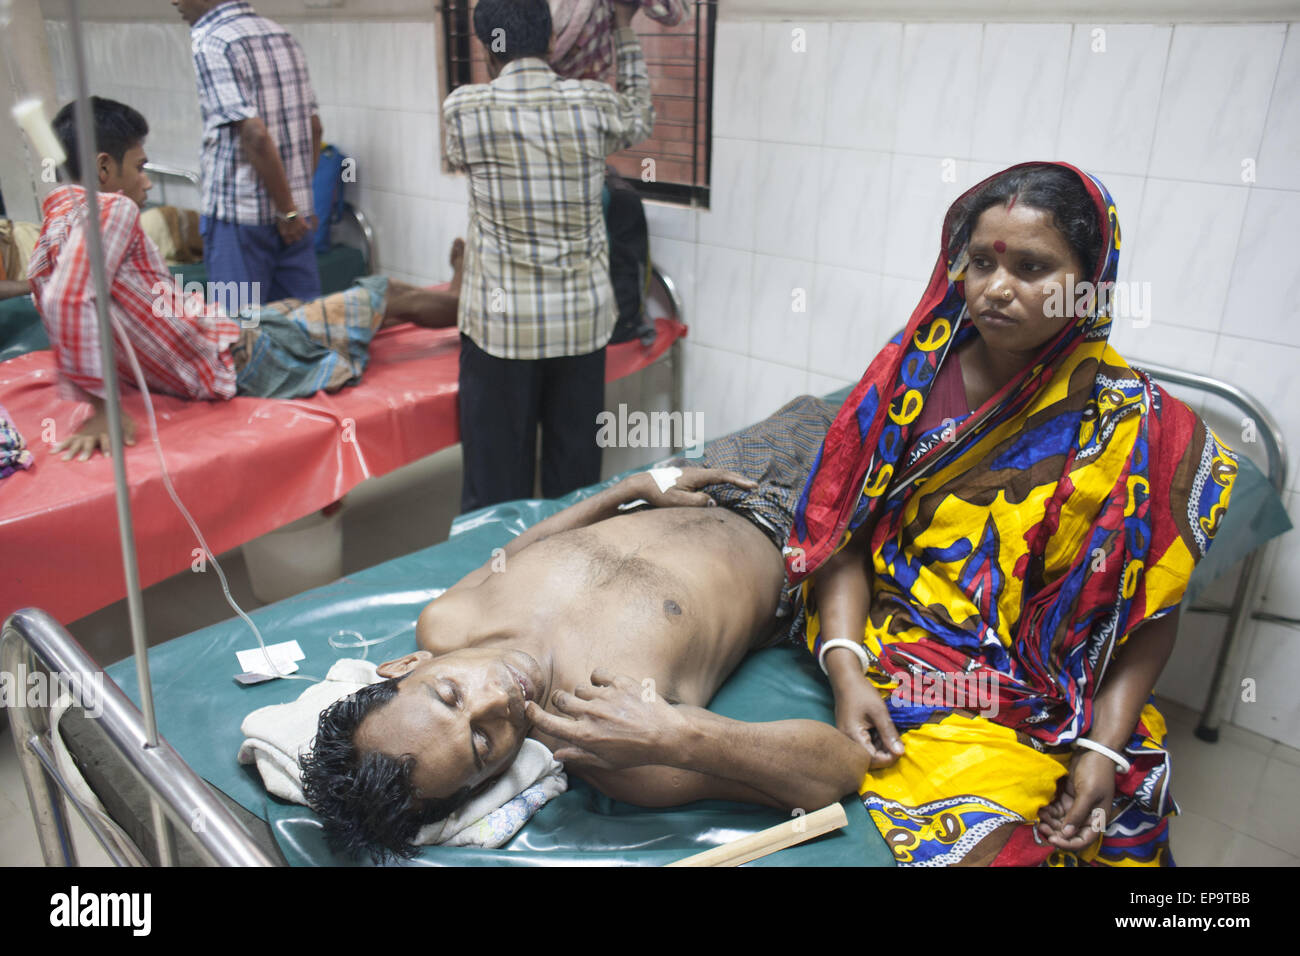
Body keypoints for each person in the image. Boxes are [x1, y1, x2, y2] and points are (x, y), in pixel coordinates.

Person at [784, 162, 1238, 867]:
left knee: (1105, 819)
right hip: (907, 660)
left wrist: (1099, 745)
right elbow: (843, 536)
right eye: (978, 263)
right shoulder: (906, 384)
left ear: (1091, 283)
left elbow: (1147, 612)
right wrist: (844, 668)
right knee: (991, 843)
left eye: (1032, 267)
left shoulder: (1148, 432)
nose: (996, 289)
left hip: (1060, 687)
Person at [301, 397, 873, 862]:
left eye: (450, 694)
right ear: (492, 780)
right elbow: (842, 768)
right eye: (482, 743)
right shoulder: (621, 743)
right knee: (935, 441)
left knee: (858, 399)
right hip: (812, 549)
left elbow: (521, 551)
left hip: (721, 474)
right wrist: (681, 734)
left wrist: (628, 491)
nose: (497, 699)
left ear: (408, 666)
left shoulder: (448, 620)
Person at [28, 97, 461, 462]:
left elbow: (67, 302)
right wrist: (101, 407)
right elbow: (69, 299)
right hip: (242, 358)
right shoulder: (111, 209)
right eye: (140, 167)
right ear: (104, 169)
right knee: (385, 294)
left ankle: (453, 296)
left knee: (297, 311)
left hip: (229, 331)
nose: (145, 181)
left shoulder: (51, 231)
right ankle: (465, 302)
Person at [444, 0, 654, 513]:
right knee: (574, 489)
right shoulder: (593, 105)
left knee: (495, 492)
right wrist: (623, 27)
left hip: (500, 335)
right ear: (552, 40)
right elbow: (641, 115)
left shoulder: (465, 110)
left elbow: (456, 157)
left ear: (487, 47)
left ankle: (494, 581)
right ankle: (569, 585)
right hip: (580, 330)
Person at [173, 0, 323, 303]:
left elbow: (254, 134)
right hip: (294, 219)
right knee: (303, 331)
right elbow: (315, 128)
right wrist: (296, 204)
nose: (174, 1)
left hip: (239, 220)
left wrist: (287, 209)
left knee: (242, 331)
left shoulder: (213, 42)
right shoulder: (283, 37)